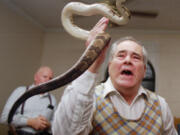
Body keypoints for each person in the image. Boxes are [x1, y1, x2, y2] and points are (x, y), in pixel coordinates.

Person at [52, 17, 178, 135]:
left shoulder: (161, 105)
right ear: (109, 65)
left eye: (136, 57)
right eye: (121, 55)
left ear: (144, 70)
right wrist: (92, 64)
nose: (127, 60)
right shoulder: (91, 99)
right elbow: (64, 132)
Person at [0, 66, 57, 135]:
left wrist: (49, 125)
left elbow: (56, 125)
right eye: (45, 77)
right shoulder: (20, 91)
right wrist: (30, 122)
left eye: (50, 78)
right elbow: (4, 118)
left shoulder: (53, 100)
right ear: (35, 77)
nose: (48, 80)